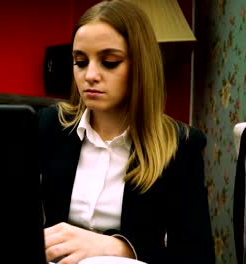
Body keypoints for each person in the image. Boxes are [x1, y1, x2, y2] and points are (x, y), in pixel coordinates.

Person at [37, 0, 215, 263]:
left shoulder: (180, 145)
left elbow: (196, 256)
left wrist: (121, 248)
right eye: (80, 62)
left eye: (109, 62)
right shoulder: (50, 125)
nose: (90, 75)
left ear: (140, 66)